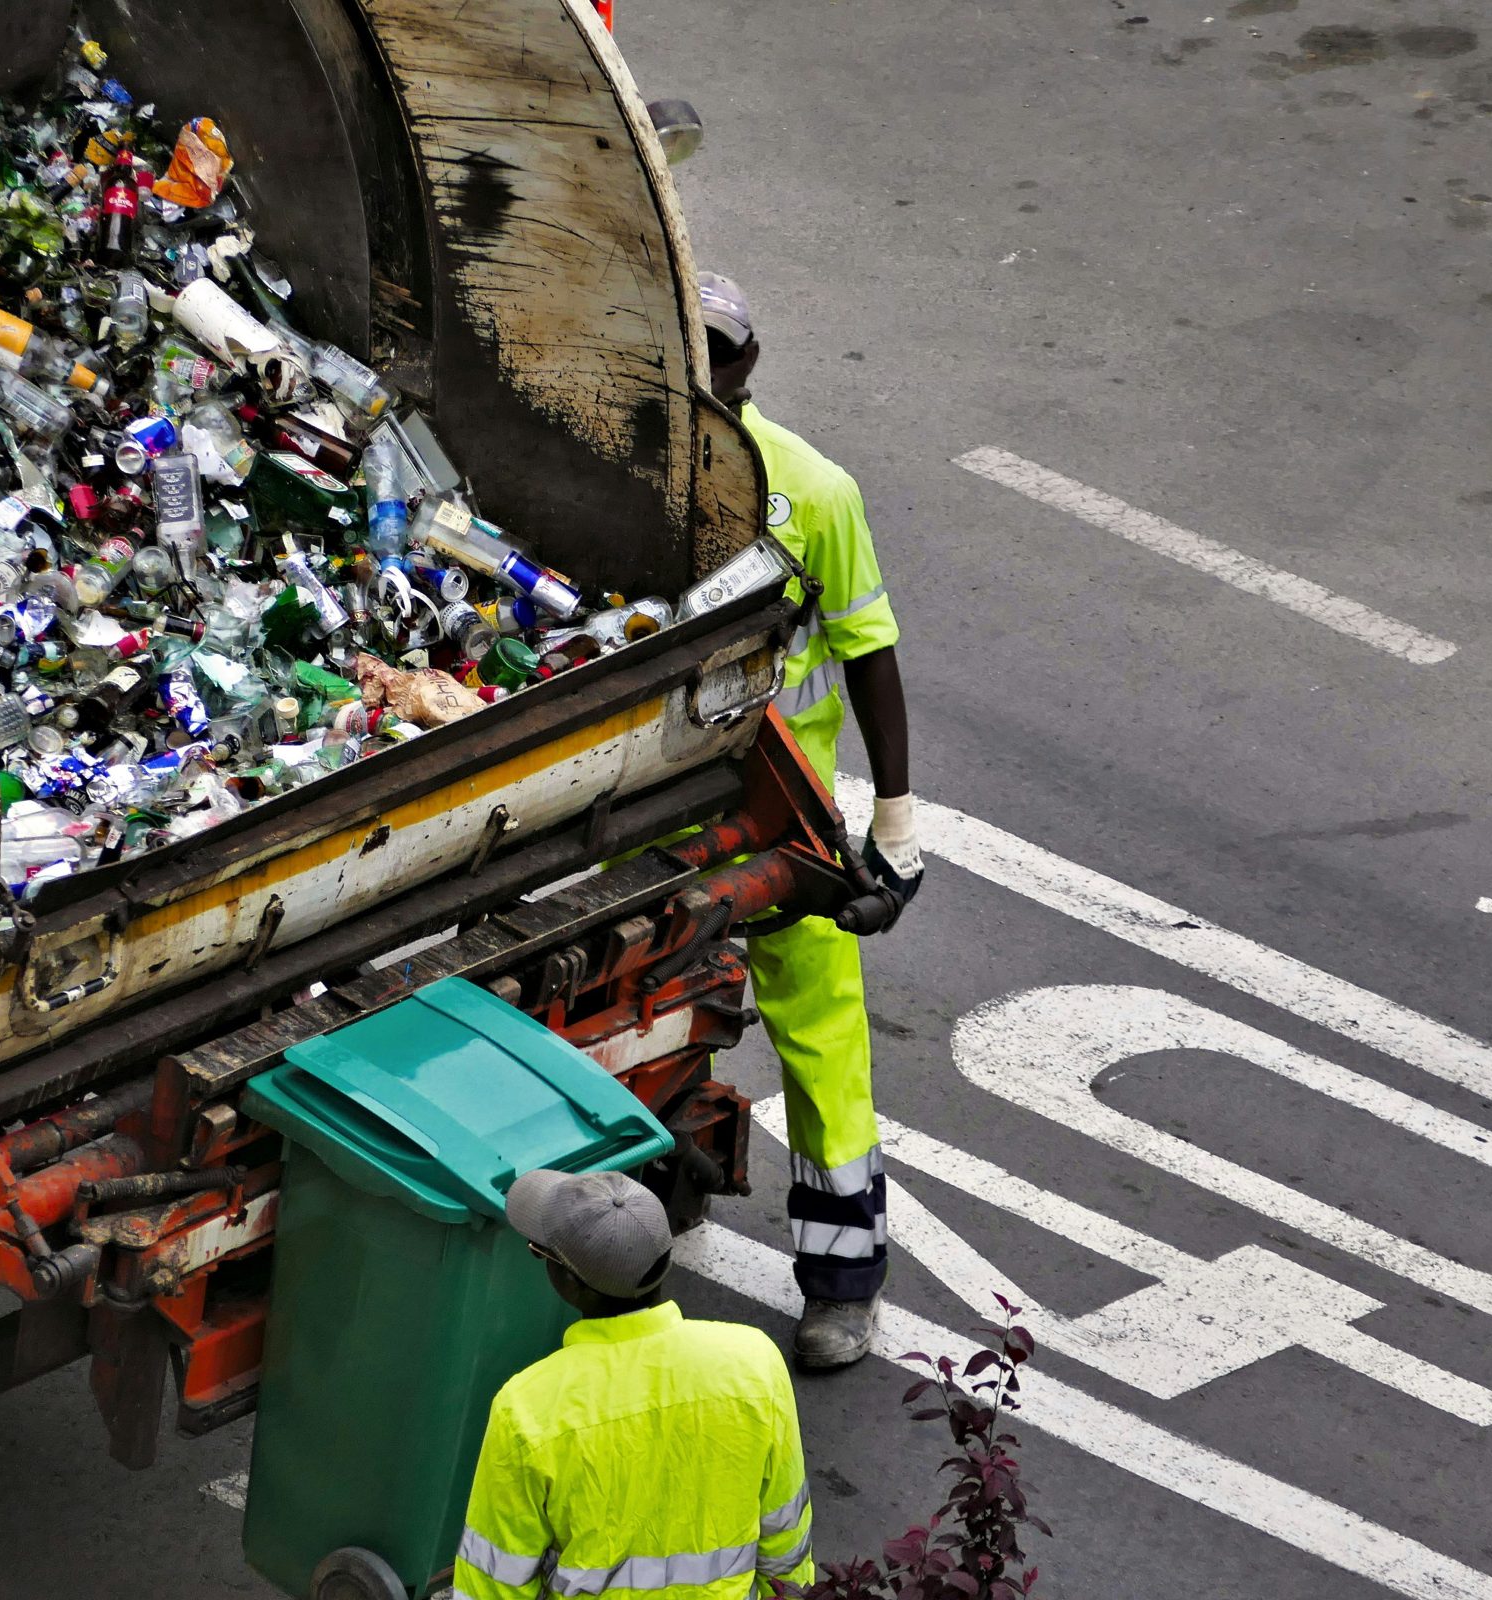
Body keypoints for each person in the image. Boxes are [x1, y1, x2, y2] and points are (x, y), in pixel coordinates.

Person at [696, 270, 922, 1371]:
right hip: (653, 806)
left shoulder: (815, 492)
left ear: (749, 361)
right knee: (641, 1006)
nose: (702, 369)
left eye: (718, 350)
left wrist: (897, 817)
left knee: (822, 1044)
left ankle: (842, 1286)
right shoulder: (616, 466)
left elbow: (870, 650)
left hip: (781, 815)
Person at [452, 1169, 816, 1600]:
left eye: (540, 1253)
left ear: (569, 1282)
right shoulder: (755, 1365)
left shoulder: (527, 1410)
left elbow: (493, 1584)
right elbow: (786, 1542)